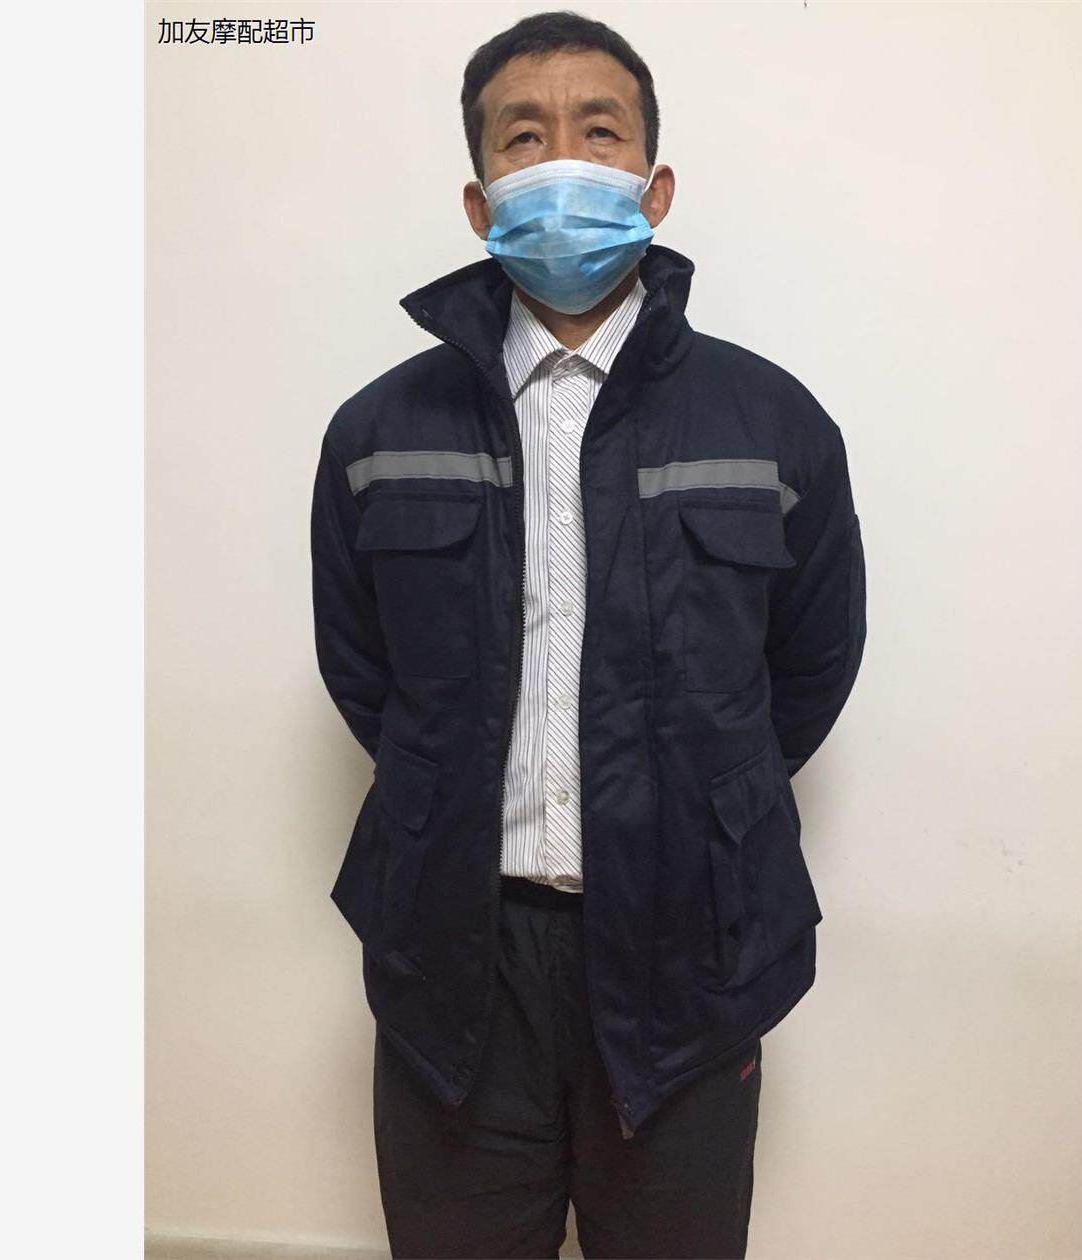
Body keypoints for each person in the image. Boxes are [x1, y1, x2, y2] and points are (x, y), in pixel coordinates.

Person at [310, 10, 867, 1257]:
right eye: (523, 136)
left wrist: (692, 805)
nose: (561, 157)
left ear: (654, 187)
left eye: (598, 130)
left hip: (691, 948)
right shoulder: (376, 433)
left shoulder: (774, 424)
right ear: (479, 202)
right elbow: (363, 672)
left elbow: (810, 669)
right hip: (454, 957)